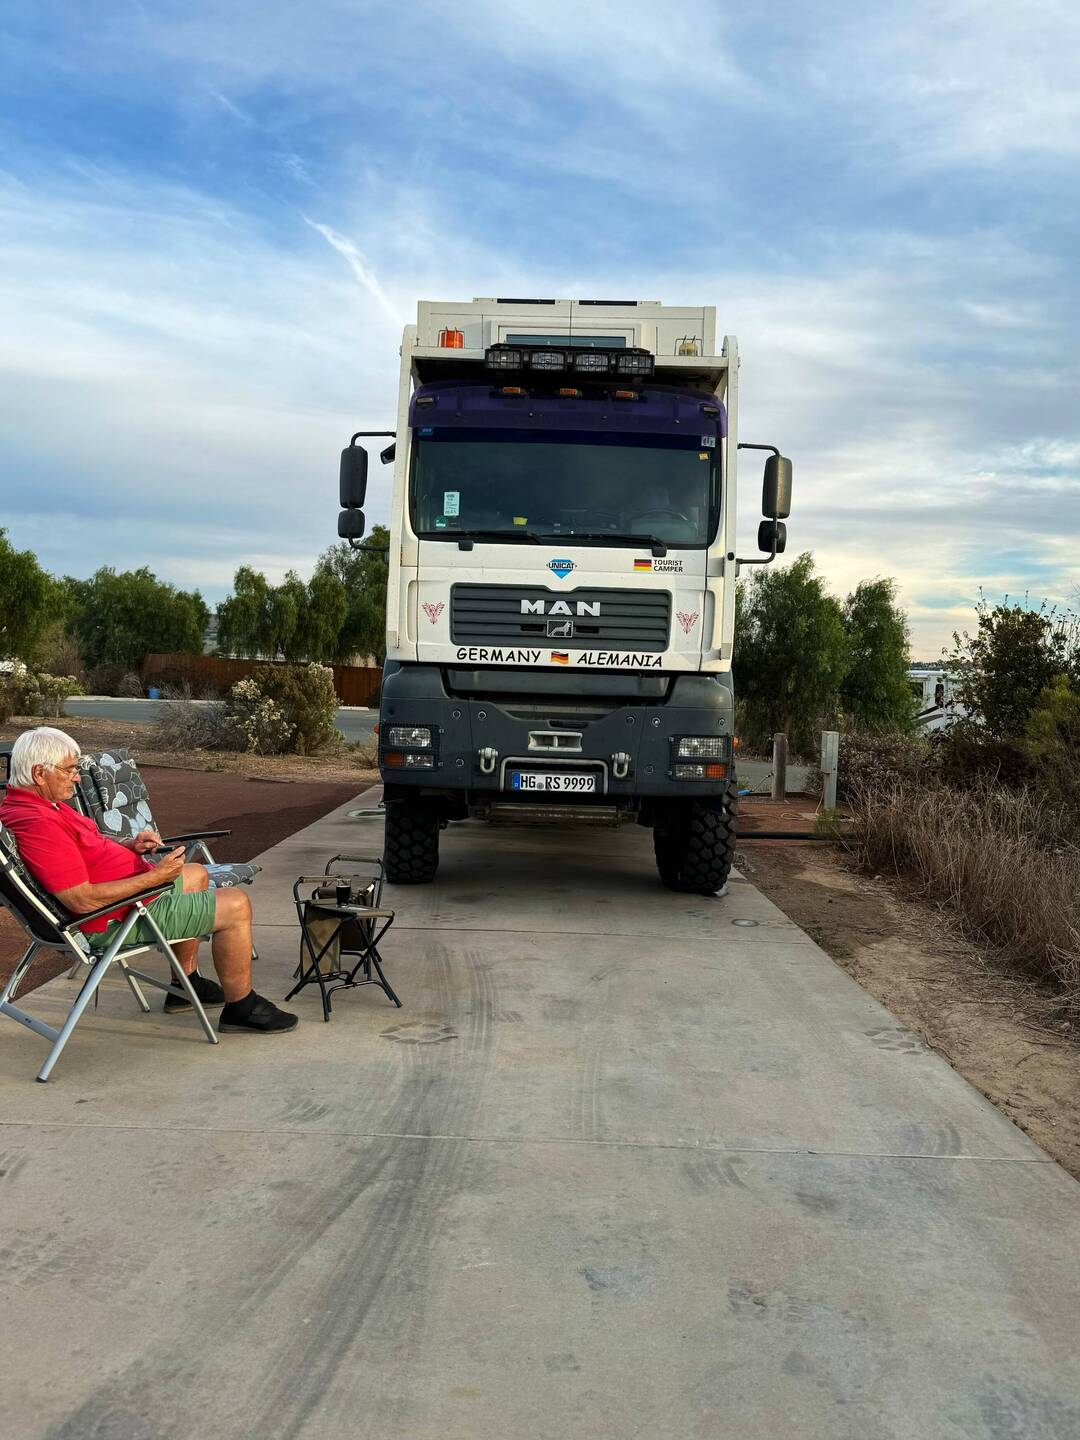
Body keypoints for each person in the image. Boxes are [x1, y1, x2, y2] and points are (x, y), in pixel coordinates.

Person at [0, 726, 297, 1034]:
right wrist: (153, 878)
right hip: (111, 918)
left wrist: (129, 846)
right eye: (70, 769)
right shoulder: (38, 824)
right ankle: (242, 1008)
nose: (76, 776)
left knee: (193, 873)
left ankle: (185, 985)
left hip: (121, 904)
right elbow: (81, 899)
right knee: (235, 904)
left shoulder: (37, 805)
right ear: (39, 773)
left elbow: (86, 847)